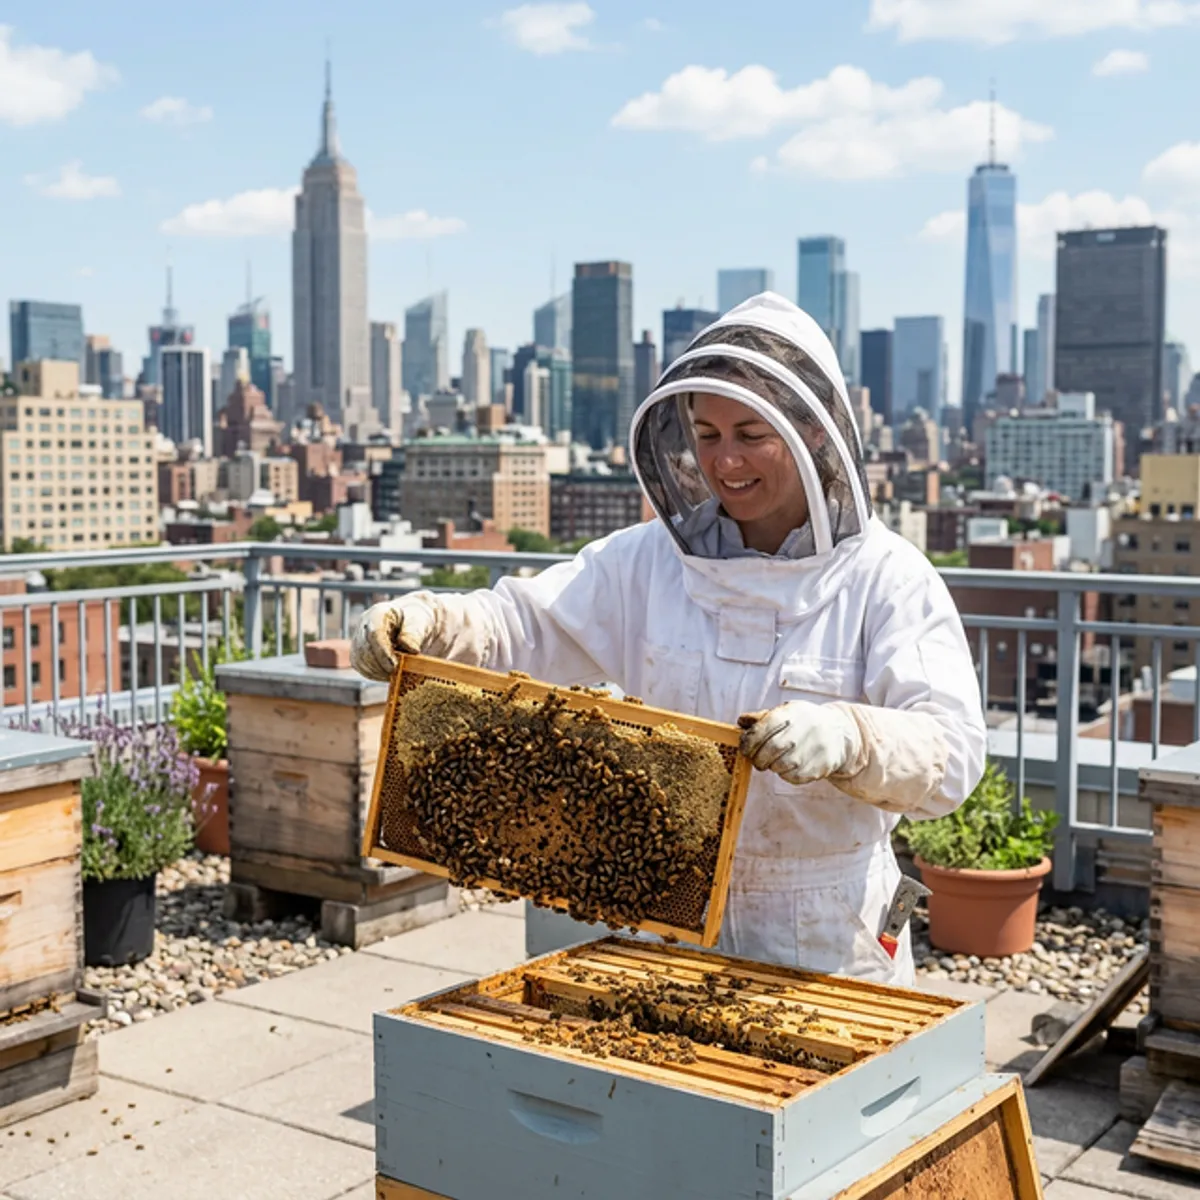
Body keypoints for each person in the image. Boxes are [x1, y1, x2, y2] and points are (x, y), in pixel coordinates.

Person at [351, 292, 986, 985]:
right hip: (671, 923)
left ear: (810, 430)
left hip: (831, 936)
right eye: (707, 436)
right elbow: (526, 624)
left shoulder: (887, 578)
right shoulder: (648, 562)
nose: (726, 461)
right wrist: (432, 623)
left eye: (750, 433)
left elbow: (952, 756)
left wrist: (852, 738)